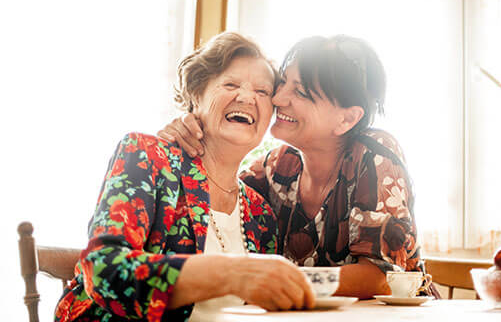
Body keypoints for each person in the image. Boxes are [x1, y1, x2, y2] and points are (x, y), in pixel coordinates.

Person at [55, 32, 315, 322]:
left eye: (262, 92)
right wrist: (229, 273)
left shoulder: (261, 212)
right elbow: (103, 270)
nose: (246, 97)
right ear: (196, 96)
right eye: (230, 84)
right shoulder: (148, 157)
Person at [159, 35, 436, 299]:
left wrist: (276, 281)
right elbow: (219, 189)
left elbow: (379, 276)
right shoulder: (277, 166)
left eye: (301, 92)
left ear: (347, 119)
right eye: (283, 83)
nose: (278, 99)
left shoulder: (374, 154)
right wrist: (189, 129)